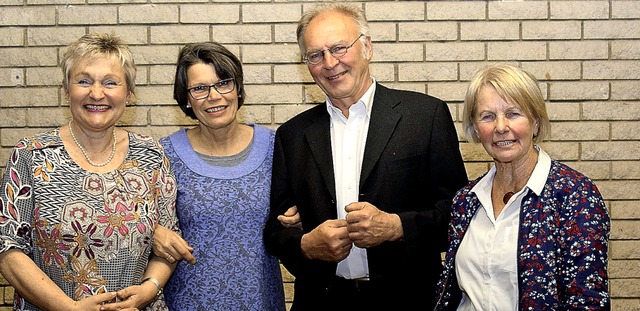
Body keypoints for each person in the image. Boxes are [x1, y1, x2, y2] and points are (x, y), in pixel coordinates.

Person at [263, 3, 469, 310]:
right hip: (322, 301)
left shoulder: (424, 116)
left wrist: (395, 226)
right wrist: (306, 245)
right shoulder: (292, 135)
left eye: (339, 48)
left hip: (408, 299)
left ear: (367, 47)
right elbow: (276, 230)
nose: (330, 63)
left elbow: (458, 216)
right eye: (316, 55)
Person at [0, 33, 179, 311]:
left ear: (129, 94)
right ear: (66, 90)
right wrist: (69, 308)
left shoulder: (151, 155)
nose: (97, 93)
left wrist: (149, 289)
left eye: (110, 83)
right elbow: (7, 249)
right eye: (84, 81)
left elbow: (169, 244)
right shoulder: (31, 155)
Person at [433, 64, 610, 310]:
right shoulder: (465, 200)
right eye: (488, 116)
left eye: (513, 113)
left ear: (536, 122)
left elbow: (588, 302)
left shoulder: (574, 196)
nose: (501, 127)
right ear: (475, 129)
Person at [150, 41, 288, 311]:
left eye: (223, 83)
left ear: (238, 88)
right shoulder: (164, 154)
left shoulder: (276, 147)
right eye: (200, 88)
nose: (214, 96)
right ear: (187, 99)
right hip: (188, 302)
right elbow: (140, 219)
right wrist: (152, 232)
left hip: (261, 300)